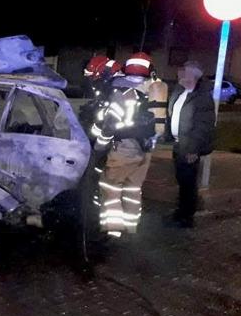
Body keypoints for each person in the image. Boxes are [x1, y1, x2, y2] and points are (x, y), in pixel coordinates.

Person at [92, 52, 157, 236]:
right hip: (145, 149)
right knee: (133, 189)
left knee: (110, 188)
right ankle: (130, 227)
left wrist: (99, 145)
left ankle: (113, 231)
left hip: (124, 148)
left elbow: (111, 123)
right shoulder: (151, 90)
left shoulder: (123, 91)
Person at [166, 60, 215, 228]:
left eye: (184, 72)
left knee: (188, 182)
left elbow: (203, 126)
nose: (180, 74)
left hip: (190, 146)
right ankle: (180, 211)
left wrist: (193, 149)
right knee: (181, 180)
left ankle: (186, 217)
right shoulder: (180, 91)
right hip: (179, 144)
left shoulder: (202, 97)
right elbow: (172, 114)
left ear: (194, 76)